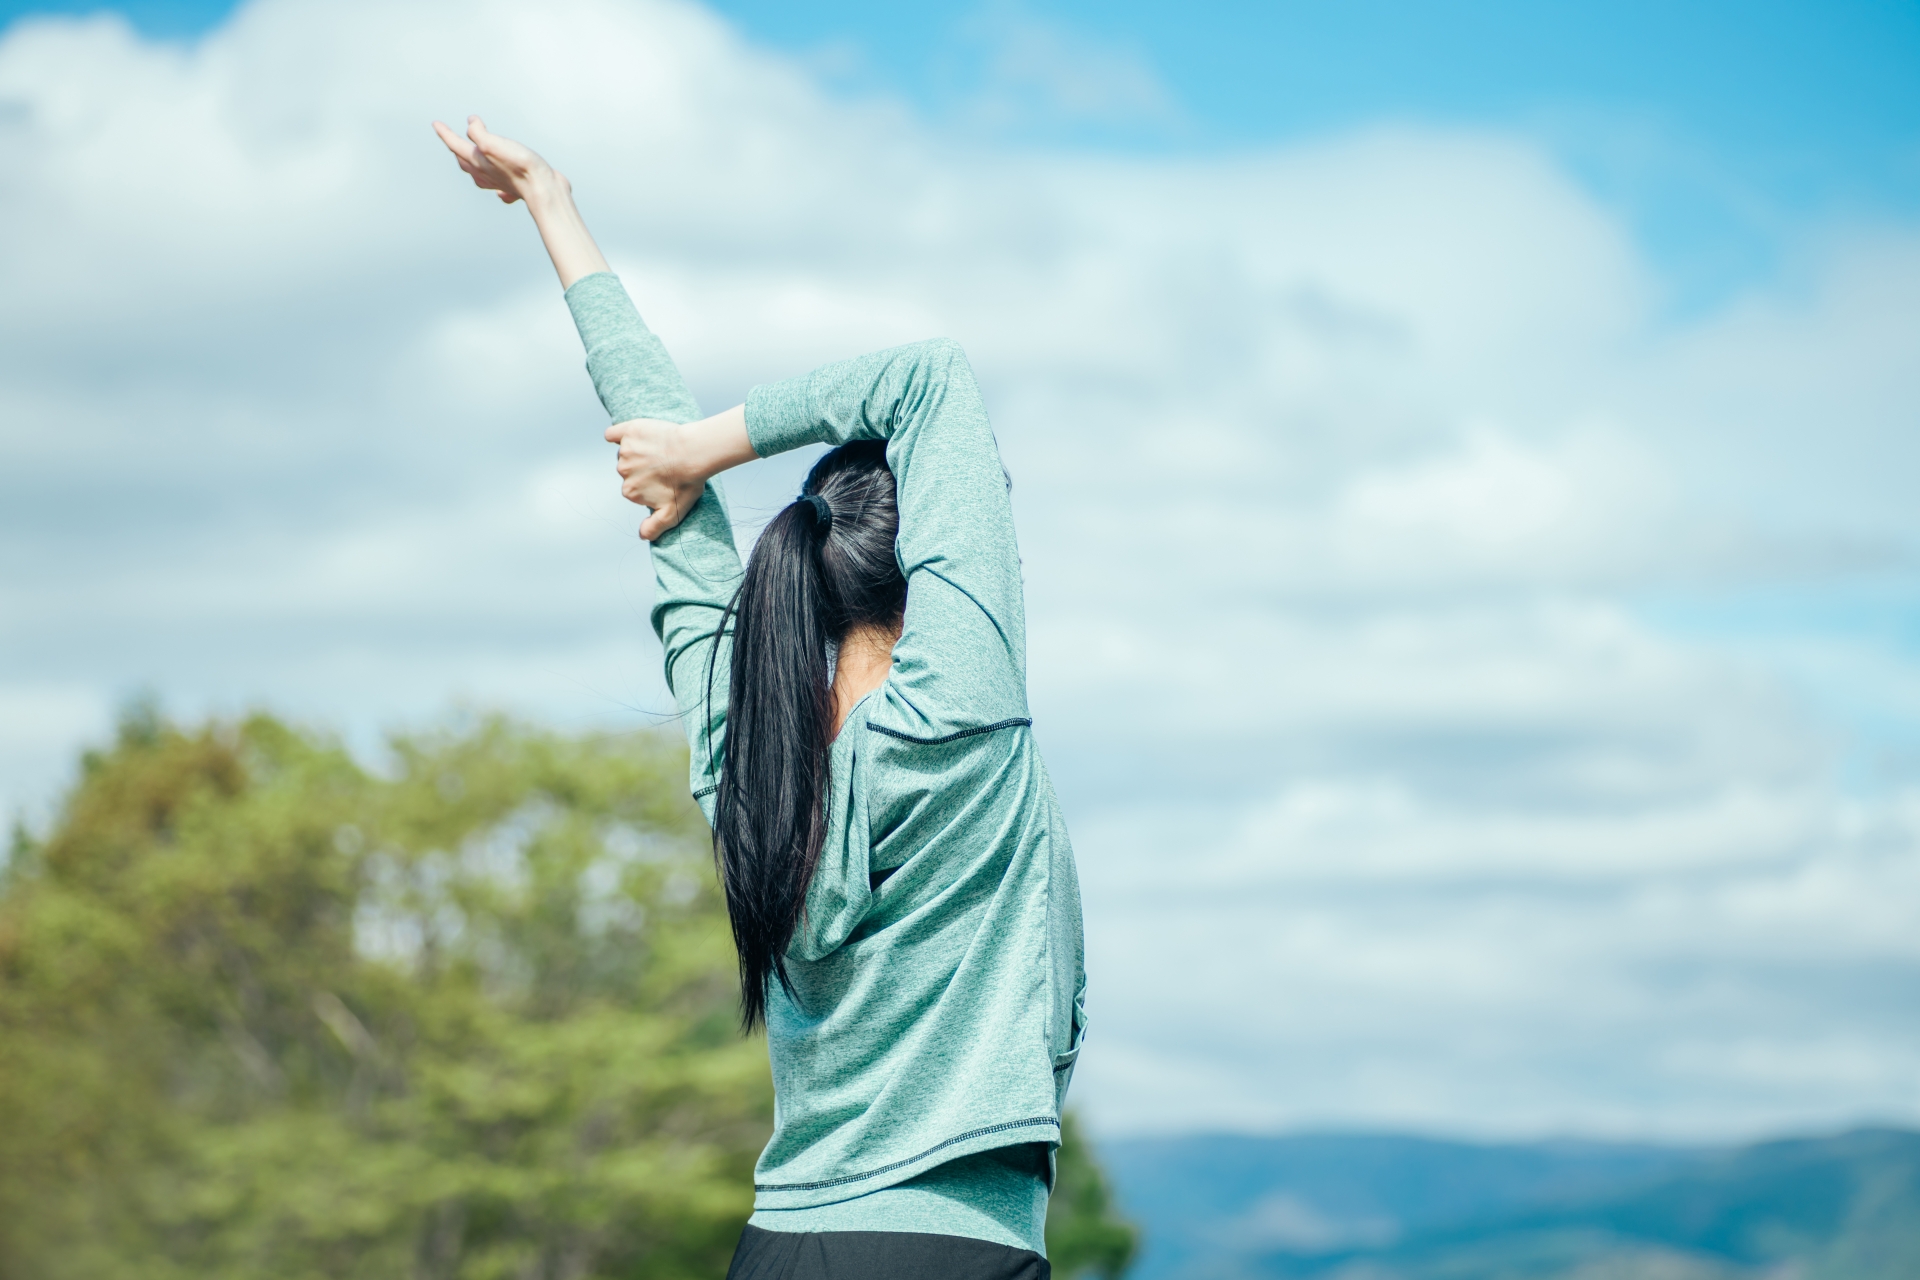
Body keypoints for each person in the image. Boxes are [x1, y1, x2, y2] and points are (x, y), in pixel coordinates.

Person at [436, 115, 1086, 1280]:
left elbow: (668, 506)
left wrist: (559, 214)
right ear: (934, 564)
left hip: (781, 1247)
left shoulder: (749, 767)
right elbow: (930, 376)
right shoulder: (963, 712)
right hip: (952, 1253)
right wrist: (685, 442)